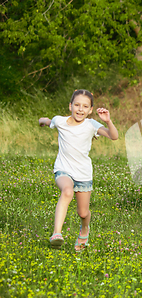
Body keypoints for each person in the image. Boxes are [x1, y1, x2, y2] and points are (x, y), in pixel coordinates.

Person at [39, 89, 118, 251]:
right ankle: (56, 234)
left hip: (83, 174)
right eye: (77, 105)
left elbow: (113, 136)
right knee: (67, 191)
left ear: (90, 110)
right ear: (70, 106)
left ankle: (84, 229)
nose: (80, 109)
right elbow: (49, 121)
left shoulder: (91, 125)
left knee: (83, 213)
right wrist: (42, 120)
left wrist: (108, 121)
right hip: (63, 169)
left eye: (85, 106)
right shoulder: (60, 121)